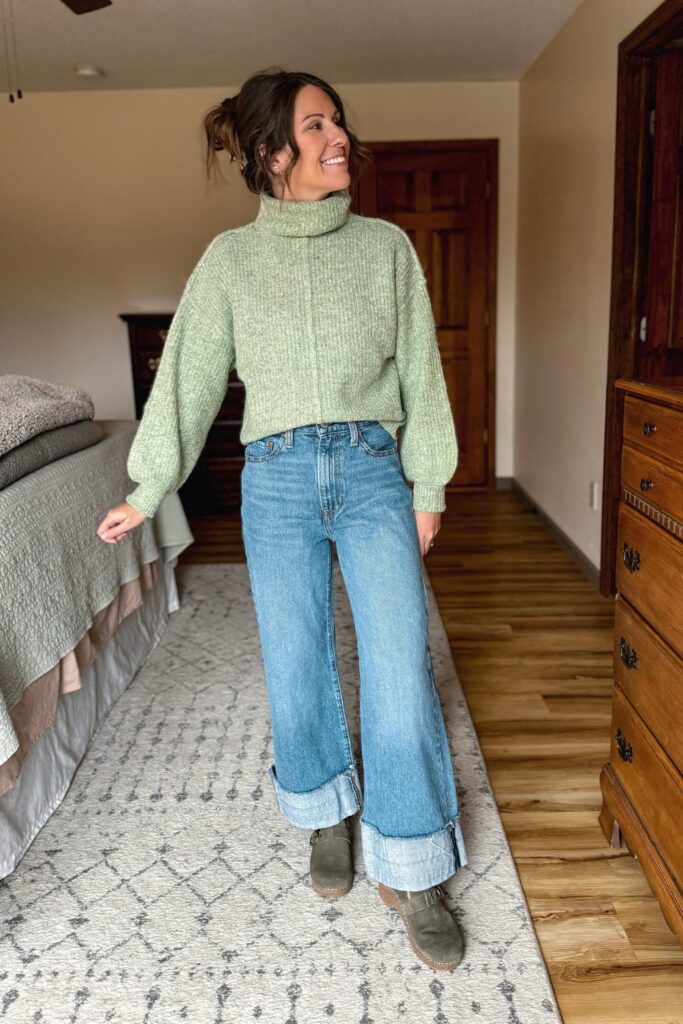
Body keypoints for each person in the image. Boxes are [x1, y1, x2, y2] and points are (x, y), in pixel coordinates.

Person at [96, 67, 468, 971]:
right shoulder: (230, 261)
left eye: (338, 122)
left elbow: (420, 373)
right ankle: (323, 816)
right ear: (270, 154)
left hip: (374, 471)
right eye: (315, 126)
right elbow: (184, 376)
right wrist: (147, 487)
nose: (338, 137)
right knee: (295, 659)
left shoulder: (384, 248)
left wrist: (428, 485)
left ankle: (413, 863)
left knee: (396, 664)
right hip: (275, 480)